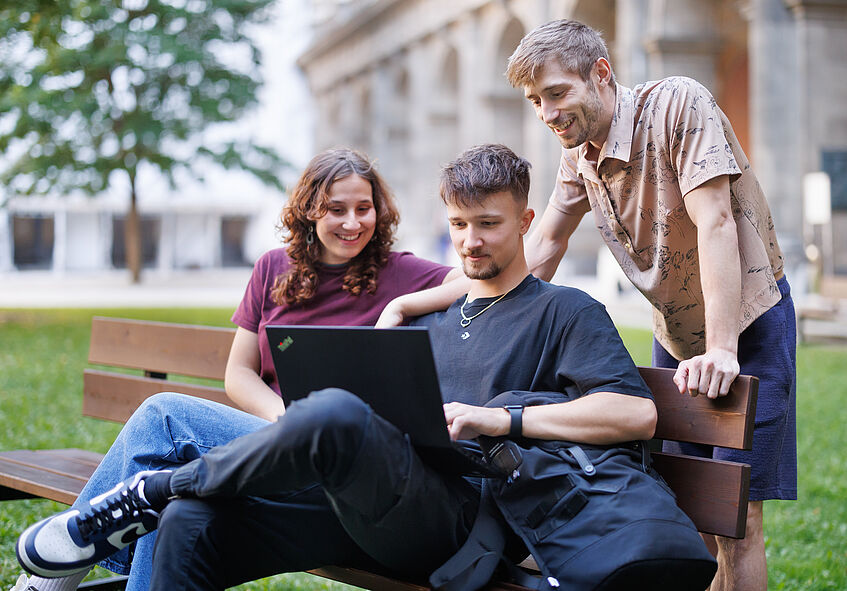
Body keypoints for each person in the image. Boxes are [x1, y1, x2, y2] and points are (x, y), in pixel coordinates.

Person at [17, 144, 715, 591]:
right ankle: (164, 499)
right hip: (370, 501)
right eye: (460, 225)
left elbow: (636, 413)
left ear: (525, 220)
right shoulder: (426, 317)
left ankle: (151, 487)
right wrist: (398, 321)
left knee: (331, 411)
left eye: (490, 224)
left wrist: (496, 416)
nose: (470, 241)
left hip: (462, 520)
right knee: (189, 522)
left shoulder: (564, 310)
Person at [10, 147, 459, 591]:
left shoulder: (400, 272)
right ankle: (69, 567)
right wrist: (285, 418)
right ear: (309, 211)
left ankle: (50, 579)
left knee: (163, 415)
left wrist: (403, 303)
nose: (352, 223)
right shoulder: (273, 269)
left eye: (364, 209)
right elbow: (238, 374)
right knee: (174, 494)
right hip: (268, 438)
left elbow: (475, 276)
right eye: (336, 209)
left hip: (343, 463)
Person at [505, 19, 796, 591]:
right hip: (675, 335)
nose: (547, 112)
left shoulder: (677, 105)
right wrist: (487, 315)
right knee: (692, 513)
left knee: (737, 520)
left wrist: (721, 349)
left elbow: (714, 222)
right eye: (536, 100)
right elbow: (545, 244)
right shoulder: (579, 157)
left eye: (557, 93)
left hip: (747, 324)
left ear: (602, 75)